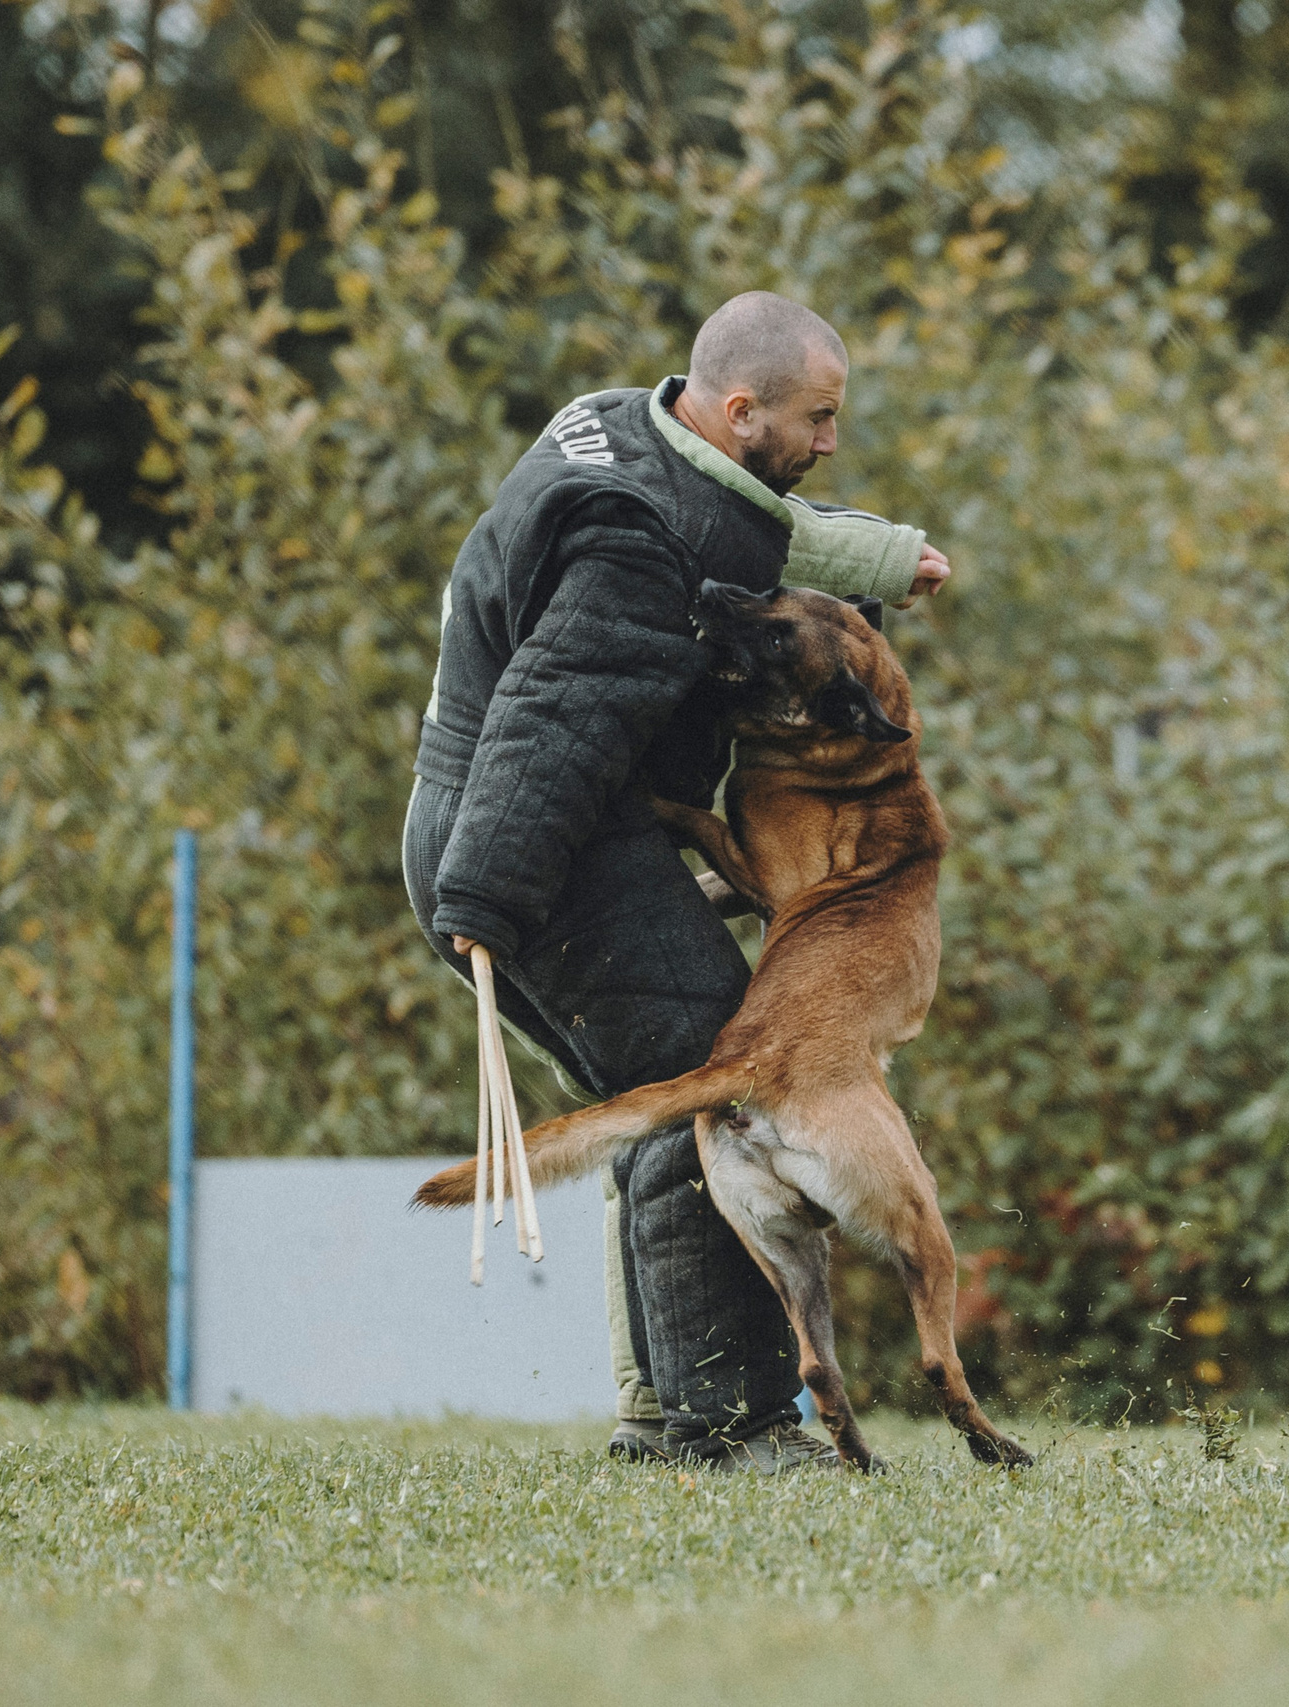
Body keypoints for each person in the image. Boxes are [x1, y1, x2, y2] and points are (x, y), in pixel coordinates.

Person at [402, 292, 950, 1472]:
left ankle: (661, 1413)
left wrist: (888, 558)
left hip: (512, 826)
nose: (829, 443)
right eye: (816, 417)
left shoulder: (620, 431)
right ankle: (729, 1427)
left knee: (673, 1098)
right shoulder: (631, 553)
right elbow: (553, 722)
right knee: (718, 1080)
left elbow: (758, 527)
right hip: (534, 845)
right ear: (741, 407)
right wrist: (487, 898)